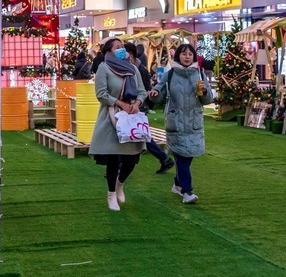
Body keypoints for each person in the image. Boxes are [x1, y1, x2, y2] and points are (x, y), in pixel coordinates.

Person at [154, 43, 215, 205]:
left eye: (190, 54)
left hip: (194, 122)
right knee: (181, 157)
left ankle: (177, 183)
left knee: (188, 157)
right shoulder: (170, 74)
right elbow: (159, 94)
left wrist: (205, 91)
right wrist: (154, 94)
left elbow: (207, 100)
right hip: (176, 122)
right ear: (178, 56)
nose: (187, 57)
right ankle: (187, 191)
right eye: (183, 54)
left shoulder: (199, 74)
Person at [91, 38, 147, 212]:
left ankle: (119, 184)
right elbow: (101, 94)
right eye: (117, 47)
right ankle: (111, 194)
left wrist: (137, 103)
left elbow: (142, 91)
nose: (122, 49)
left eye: (122, 46)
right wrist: (120, 103)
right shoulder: (104, 68)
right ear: (109, 51)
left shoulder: (132, 69)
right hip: (111, 117)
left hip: (131, 118)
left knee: (132, 158)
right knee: (114, 158)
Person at [125, 43, 174, 175]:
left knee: (142, 136)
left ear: (131, 55)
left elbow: (146, 89)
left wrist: (139, 102)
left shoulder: (140, 69)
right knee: (141, 136)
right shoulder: (128, 68)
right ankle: (164, 159)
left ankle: (164, 159)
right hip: (131, 107)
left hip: (139, 107)